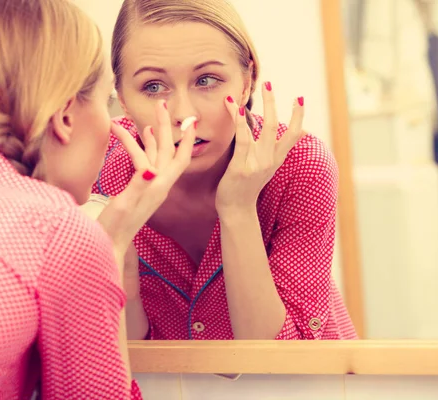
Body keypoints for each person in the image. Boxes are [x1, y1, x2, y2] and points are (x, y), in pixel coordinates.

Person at [0, 0, 195, 398]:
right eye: (104, 103)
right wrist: (108, 244)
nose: (112, 127)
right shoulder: (56, 229)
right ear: (65, 117)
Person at [92, 0, 358, 341]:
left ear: (246, 82)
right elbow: (122, 353)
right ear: (123, 99)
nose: (184, 114)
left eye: (206, 80)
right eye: (154, 87)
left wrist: (238, 209)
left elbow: (284, 363)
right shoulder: (97, 174)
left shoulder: (298, 164)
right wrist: (118, 255)